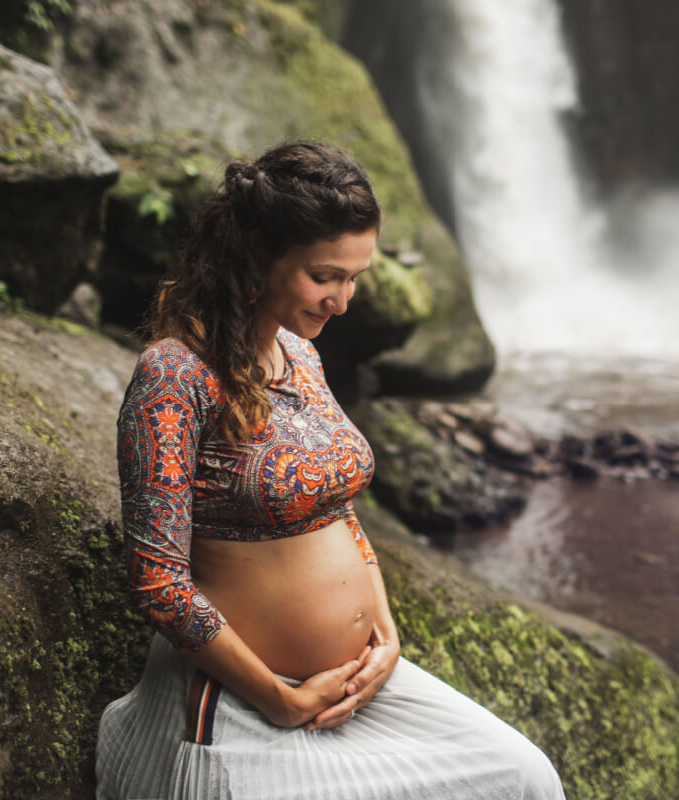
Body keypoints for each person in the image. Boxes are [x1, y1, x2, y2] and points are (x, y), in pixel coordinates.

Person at [95, 141, 565, 800]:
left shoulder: (301, 357)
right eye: (326, 277)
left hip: (358, 679)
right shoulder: (176, 376)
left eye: (355, 277)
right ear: (258, 258)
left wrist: (386, 635)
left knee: (525, 778)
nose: (343, 301)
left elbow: (338, 510)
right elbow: (159, 583)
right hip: (240, 696)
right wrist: (278, 701)